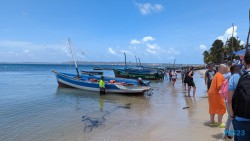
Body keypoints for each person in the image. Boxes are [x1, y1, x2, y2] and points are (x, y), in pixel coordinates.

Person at [229, 50, 250, 141]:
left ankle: (228, 133)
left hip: (240, 120)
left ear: (244, 61)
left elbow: (229, 100)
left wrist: (232, 115)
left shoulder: (235, 77)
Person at [224, 65, 240, 139]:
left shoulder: (230, 77)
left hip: (227, 100)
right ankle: (230, 135)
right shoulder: (236, 77)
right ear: (235, 70)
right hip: (232, 102)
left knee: (230, 118)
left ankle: (226, 133)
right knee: (233, 117)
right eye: (238, 68)